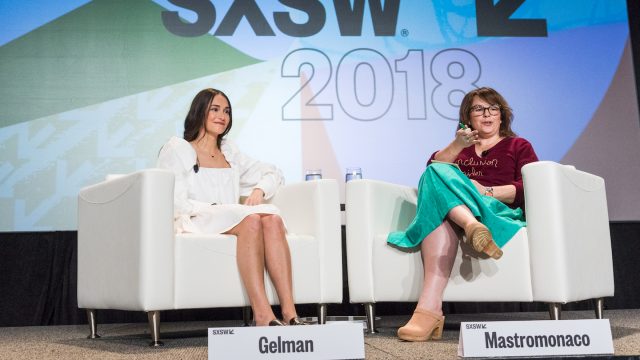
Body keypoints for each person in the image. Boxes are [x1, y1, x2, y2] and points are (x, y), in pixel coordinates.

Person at [387, 87, 538, 341]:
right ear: (468, 117)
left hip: (497, 211)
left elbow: (531, 187)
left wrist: (486, 192)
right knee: (435, 173)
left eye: (493, 108)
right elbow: (432, 172)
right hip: (464, 214)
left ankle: (429, 311)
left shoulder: (518, 145)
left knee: (438, 193)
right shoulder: (460, 150)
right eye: (478, 109)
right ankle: (430, 306)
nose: (487, 114)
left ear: (502, 116)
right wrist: (458, 144)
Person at [157, 88, 307, 326]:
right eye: (215, 109)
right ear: (200, 112)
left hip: (229, 218)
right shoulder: (179, 148)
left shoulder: (229, 152)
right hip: (195, 218)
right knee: (251, 220)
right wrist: (216, 209)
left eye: (226, 111)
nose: (222, 116)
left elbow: (272, 172)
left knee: (272, 220)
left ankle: (290, 313)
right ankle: (262, 314)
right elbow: (174, 200)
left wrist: (259, 190)